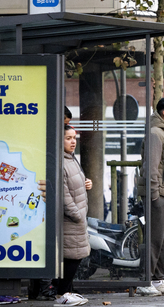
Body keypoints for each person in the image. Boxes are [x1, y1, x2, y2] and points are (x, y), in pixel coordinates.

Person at [136, 97, 164, 297]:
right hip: (159, 194)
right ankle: (145, 281)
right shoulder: (156, 133)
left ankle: (158, 279)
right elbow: (150, 167)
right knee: (154, 239)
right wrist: (153, 195)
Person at [52, 124, 92, 305]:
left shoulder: (71, 158)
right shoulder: (60, 161)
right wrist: (77, 215)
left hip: (77, 217)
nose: (73, 142)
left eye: (74, 138)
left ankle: (65, 292)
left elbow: (74, 184)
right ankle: (62, 294)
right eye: (68, 138)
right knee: (71, 257)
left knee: (74, 256)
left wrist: (86, 183)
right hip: (70, 219)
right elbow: (64, 195)